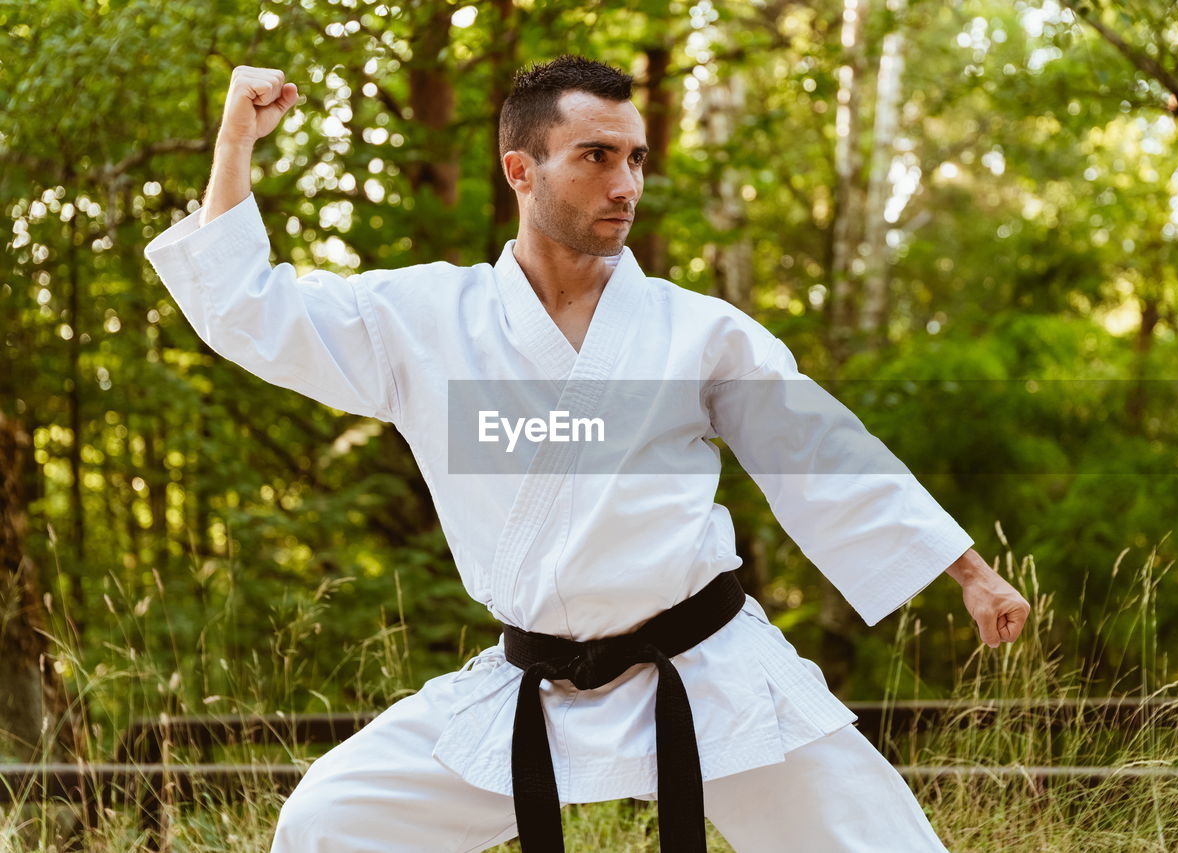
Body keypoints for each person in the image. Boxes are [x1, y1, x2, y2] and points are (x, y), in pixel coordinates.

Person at [144, 54, 1030, 852]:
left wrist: (968, 571)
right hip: (535, 683)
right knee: (328, 820)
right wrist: (234, 141)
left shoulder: (696, 330)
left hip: (710, 670)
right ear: (520, 172)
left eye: (636, 157)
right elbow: (250, 310)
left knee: (885, 842)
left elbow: (821, 448)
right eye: (597, 156)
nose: (627, 184)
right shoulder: (422, 323)